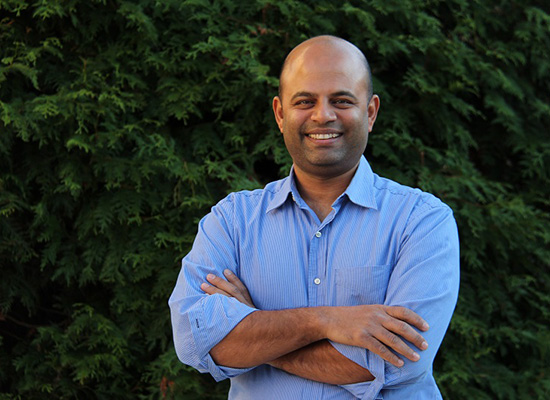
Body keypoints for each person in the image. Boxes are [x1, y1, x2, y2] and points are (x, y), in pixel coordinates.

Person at [169, 35, 460, 399]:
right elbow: (196, 341)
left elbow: (396, 362)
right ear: (280, 113)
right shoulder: (231, 221)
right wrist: (326, 321)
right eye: (304, 101)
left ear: (370, 113)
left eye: (341, 100)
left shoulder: (423, 221)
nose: (323, 115)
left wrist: (256, 328)